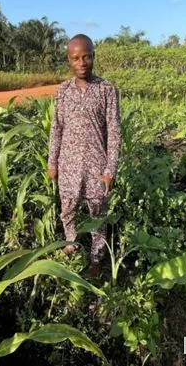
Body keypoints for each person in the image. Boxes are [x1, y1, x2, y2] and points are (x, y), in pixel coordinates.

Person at [47, 34, 121, 277]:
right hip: (67, 166)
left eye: (86, 56)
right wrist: (52, 163)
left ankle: (97, 260)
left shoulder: (106, 89)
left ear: (93, 56)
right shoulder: (63, 91)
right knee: (67, 209)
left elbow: (114, 131)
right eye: (76, 58)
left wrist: (110, 170)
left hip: (96, 167)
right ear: (69, 61)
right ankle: (71, 244)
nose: (82, 63)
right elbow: (56, 128)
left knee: (97, 215)